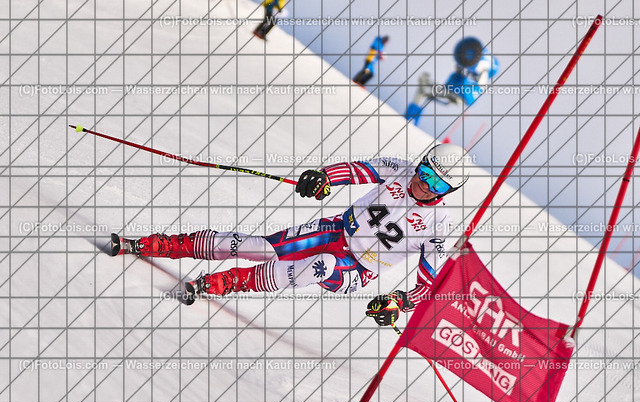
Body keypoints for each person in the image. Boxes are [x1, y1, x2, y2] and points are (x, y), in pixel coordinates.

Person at [110, 144, 472, 325]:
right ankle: (152, 245)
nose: (424, 184)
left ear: (448, 191)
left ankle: (222, 283)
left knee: (321, 265)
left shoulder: (439, 226)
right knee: (257, 247)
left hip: (359, 268)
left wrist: (399, 302)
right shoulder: (399, 169)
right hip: (335, 229)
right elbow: (355, 170)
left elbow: (429, 284)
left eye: (438, 184)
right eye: (426, 172)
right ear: (421, 163)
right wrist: (323, 177)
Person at [405, 37, 499, 123]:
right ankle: (411, 118)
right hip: (454, 89)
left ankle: (410, 119)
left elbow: (475, 93)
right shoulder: (473, 65)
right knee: (424, 87)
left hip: (460, 94)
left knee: (424, 90)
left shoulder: (483, 72)